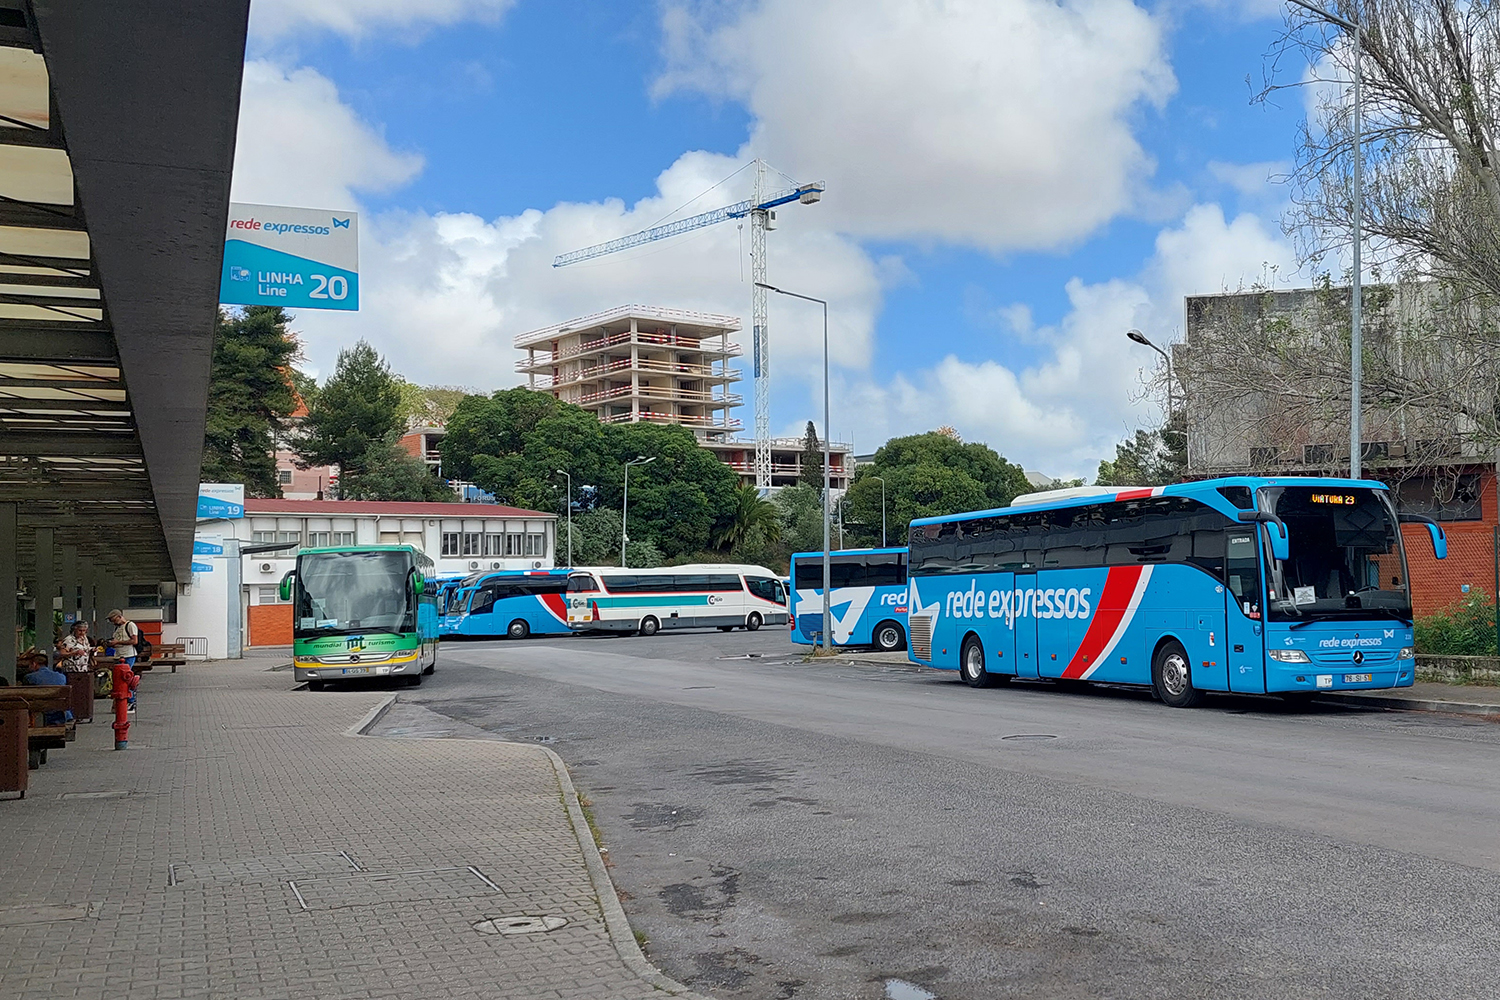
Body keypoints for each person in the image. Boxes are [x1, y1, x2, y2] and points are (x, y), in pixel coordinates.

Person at [21, 655, 72, 726]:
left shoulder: (29, 678)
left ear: (34, 664)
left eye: (30, 665)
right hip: (59, 713)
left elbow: (25, 695)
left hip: (42, 713)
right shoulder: (61, 677)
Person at [106, 610, 139, 713]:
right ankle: (122, 703)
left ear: (119, 617)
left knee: (126, 679)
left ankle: (131, 702)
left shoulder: (130, 625)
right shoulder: (118, 628)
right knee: (120, 679)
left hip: (128, 655)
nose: (112, 622)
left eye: (113, 619)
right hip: (119, 655)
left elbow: (134, 641)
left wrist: (118, 642)